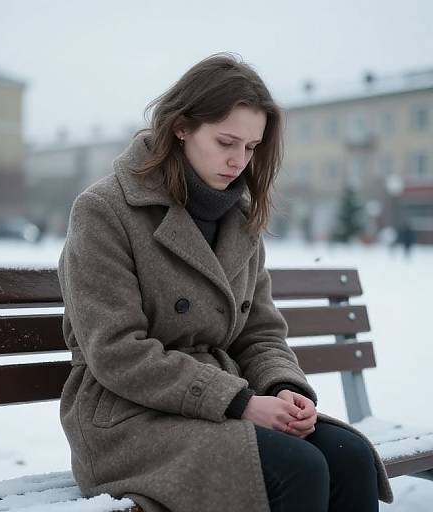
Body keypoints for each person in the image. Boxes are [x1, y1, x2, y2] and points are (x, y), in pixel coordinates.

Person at [57, 53, 393, 512]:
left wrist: (280, 388)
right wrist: (238, 402)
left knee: (348, 456)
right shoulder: (105, 210)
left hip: (219, 402)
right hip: (128, 417)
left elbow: (260, 332)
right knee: (298, 467)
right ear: (181, 127)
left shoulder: (239, 220)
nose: (239, 161)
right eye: (226, 142)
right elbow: (116, 351)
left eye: (252, 147)